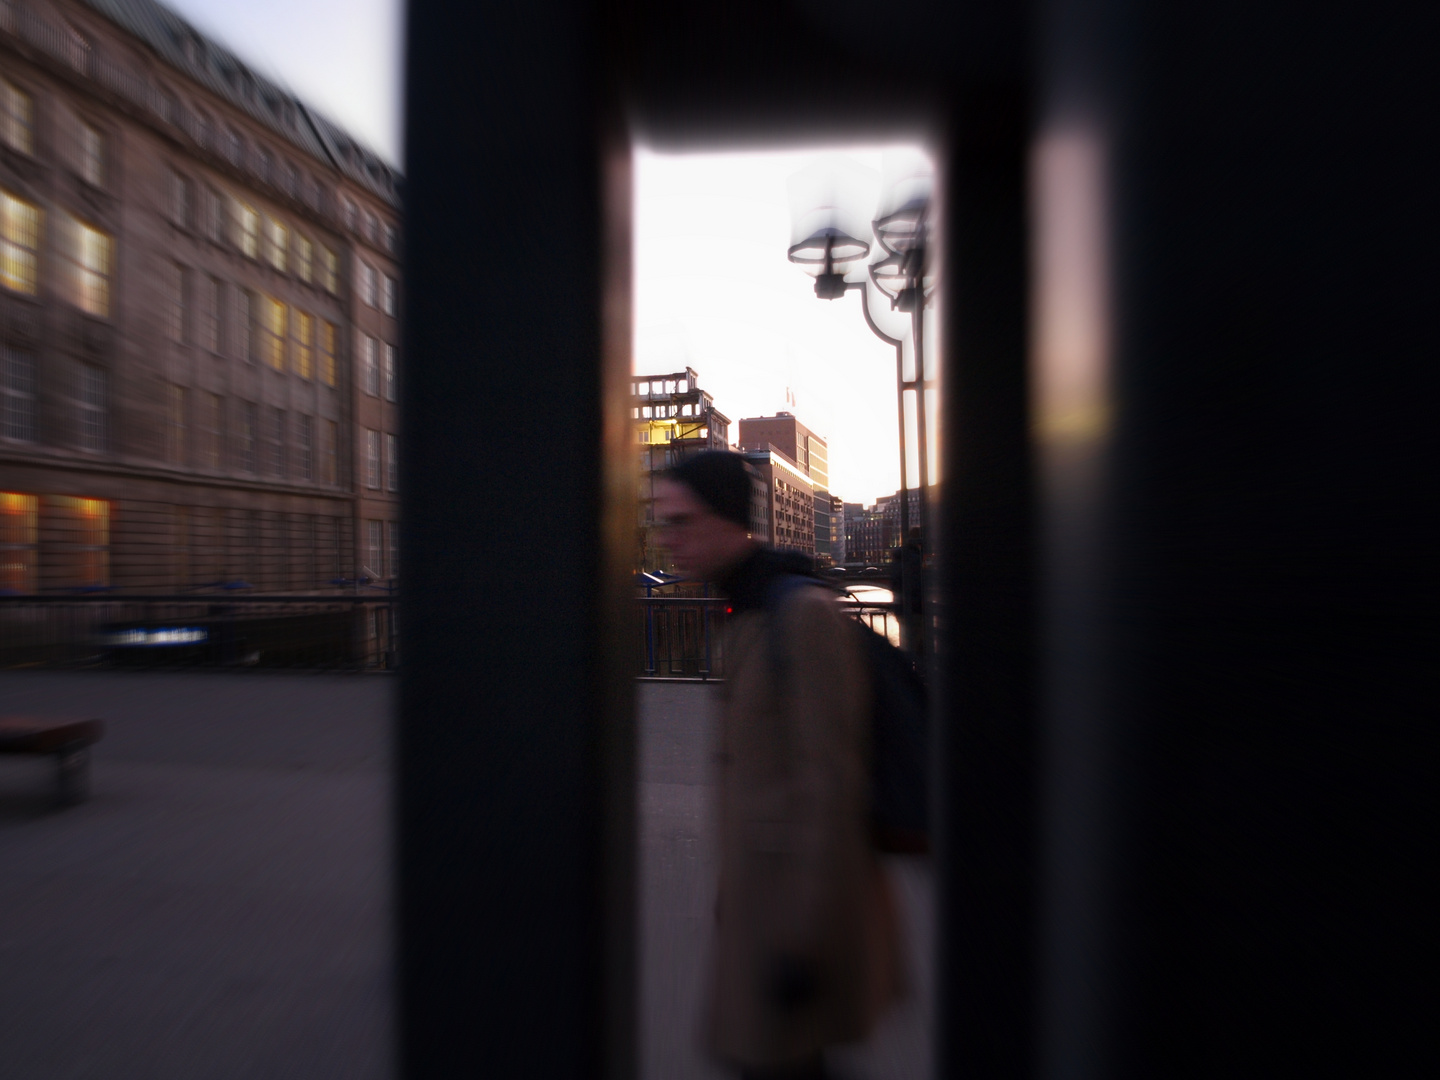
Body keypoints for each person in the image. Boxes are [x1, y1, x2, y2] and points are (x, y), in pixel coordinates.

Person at [653, 451, 905, 1080]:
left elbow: (830, 783)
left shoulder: (799, 616)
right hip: (760, 909)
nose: (667, 539)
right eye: (663, 522)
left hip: (792, 926)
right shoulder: (749, 609)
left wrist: (801, 938)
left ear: (726, 520)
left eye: (681, 521)